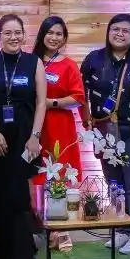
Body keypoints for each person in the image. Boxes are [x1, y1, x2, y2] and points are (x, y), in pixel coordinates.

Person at [80, 13, 130, 253]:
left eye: (125, 30)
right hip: (104, 131)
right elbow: (82, 93)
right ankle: (121, 230)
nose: (120, 34)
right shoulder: (94, 59)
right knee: (114, 183)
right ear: (108, 32)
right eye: (115, 29)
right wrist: (88, 123)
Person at [0, 14, 46, 259]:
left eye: (18, 32)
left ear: (24, 35)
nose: (13, 37)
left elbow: (41, 103)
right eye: (7, 33)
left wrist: (35, 136)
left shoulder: (34, 62)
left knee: (19, 198)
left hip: (23, 138)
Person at [30, 16, 86, 199]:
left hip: (60, 126)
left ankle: (58, 219)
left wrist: (50, 103)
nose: (54, 37)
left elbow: (78, 98)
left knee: (59, 168)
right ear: (42, 35)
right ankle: (35, 216)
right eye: (50, 32)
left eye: (59, 34)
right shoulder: (30, 61)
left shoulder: (69, 64)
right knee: (34, 170)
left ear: (64, 38)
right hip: (33, 125)